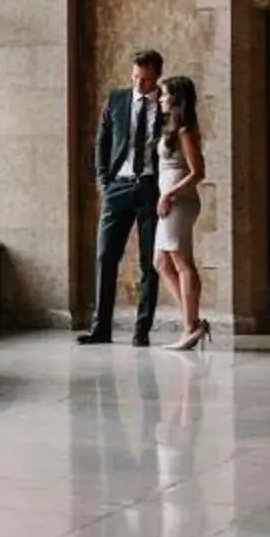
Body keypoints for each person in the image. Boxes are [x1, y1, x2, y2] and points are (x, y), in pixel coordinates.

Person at [80, 50, 167, 345]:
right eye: (134, 79)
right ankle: (100, 328)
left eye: (145, 80)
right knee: (105, 256)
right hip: (118, 185)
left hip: (150, 188)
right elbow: (101, 143)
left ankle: (141, 331)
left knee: (148, 262)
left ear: (156, 77)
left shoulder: (167, 107)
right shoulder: (117, 100)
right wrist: (104, 182)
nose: (139, 85)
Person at [154, 73, 210, 351]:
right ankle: (193, 321)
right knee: (161, 263)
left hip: (179, 202)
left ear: (176, 99)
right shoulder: (171, 127)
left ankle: (190, 326)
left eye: (165, 94)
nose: (161, 98)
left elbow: (198, 172)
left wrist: (169, 194)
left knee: (181, 261)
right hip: (169, 202)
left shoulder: (185, 129)